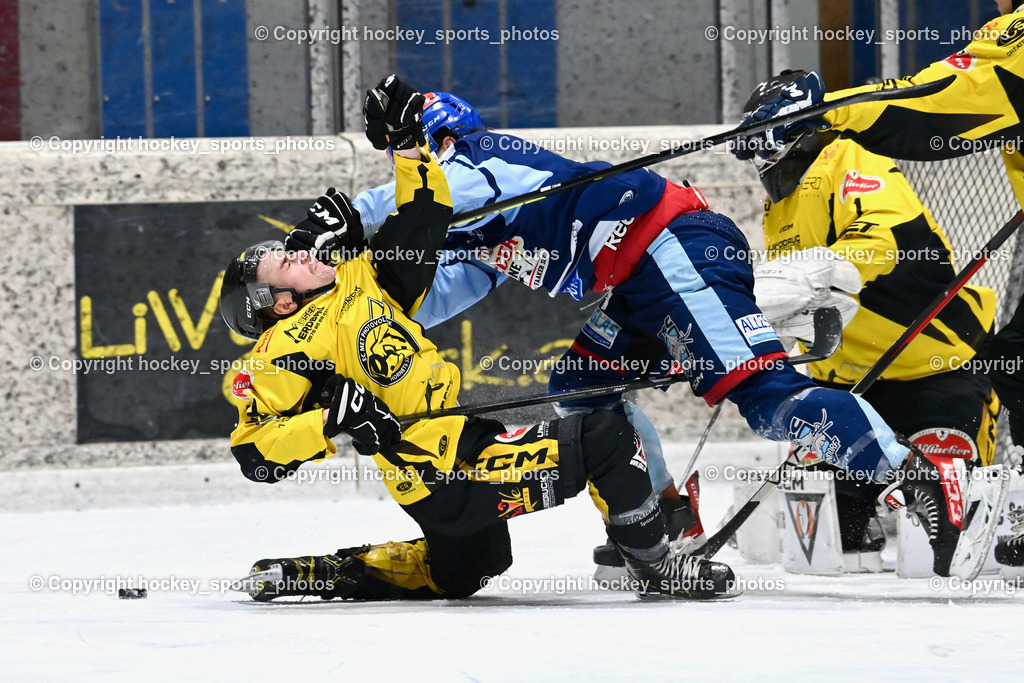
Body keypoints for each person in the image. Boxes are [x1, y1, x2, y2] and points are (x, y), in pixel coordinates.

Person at [288, 75, 975, 578]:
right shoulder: (480, 222)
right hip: (642, 279)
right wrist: (354, 315)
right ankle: (664, 513)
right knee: (581, 387)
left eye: (412, 153)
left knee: (768, 401)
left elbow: (423, 198)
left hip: (674, 249)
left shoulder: (482, 164)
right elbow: (428, 298)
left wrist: (346, 218)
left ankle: (914, 476)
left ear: (436, 141)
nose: (406, 168)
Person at [219, 74, 738, 602]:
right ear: (278, 304)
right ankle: (656, 567)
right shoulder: (279, 351)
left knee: (475, 565)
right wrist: (329, 421)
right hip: (433, 469)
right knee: (604, 436)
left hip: (462, 442)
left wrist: (406, 147)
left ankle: (315, 572)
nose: (300, 251)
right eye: (286, 260)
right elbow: (255, 456)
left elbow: (424, 215)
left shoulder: (369, 277)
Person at [731, 1, 1024, 566]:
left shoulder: (845, 157)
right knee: (828, 539)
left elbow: (887, 233)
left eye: (768, 148)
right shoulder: (780, 212)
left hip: (935, 373)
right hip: (853, 394)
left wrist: (826, 273)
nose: (764, 166)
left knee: (948, 531)